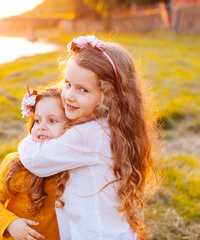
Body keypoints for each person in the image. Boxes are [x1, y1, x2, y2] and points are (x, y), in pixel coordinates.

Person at [18, 35, 157, 240]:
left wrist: (35, 133)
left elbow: (36, 161)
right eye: (67, 84)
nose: (69, 96)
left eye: (83, 89)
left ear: (109, 97)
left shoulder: (88, 136)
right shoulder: (113, 127)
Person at [0, 87, 70, 240]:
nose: (41, 126)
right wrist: (10, 223)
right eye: (37, 120)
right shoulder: (16, 164)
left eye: (52, 120)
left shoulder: (72, 169)